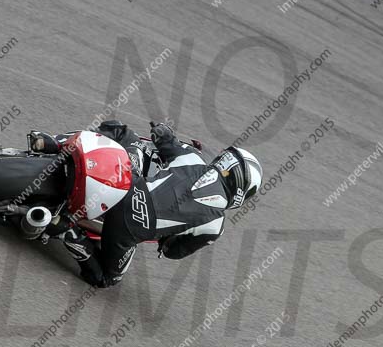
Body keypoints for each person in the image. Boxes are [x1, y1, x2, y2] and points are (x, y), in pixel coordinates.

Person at [30, 120, 263, 288]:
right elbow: (174, 251)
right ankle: (66, 230)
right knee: (105, 279)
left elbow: (165, 140)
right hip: (127, 229)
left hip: (124, 184)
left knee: (120, 131)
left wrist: (161, 130)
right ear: (242, 191)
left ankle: (54, 143)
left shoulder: (193, 158)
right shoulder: (214, 226)